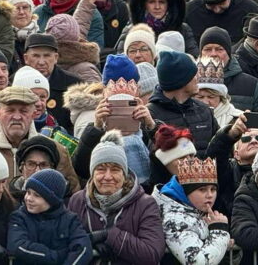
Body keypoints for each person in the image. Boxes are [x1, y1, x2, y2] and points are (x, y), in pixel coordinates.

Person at [68, 130, 164, 265]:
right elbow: (67, 243)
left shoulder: (145, 204)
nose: (108, 177)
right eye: (101, 169)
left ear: (124, 173)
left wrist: (109, 235)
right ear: (92, 172)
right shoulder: (77, 201)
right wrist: (89, 245)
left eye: (115, 169)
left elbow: (152, 254)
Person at [154, 157, 231, 265]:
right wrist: (220, 231)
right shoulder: (174, 220)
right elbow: (198, 262)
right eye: (202, 189)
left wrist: (223, 244)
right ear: (185, 192)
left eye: (213, 189)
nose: (209, 195)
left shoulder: (197, 211)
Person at [147, 51, 217, 154]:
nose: (197, 79)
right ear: (181, 81)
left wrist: (231, 133)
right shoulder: (150, 115)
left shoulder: (204, 110)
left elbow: (219, 149)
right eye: (193, 75)